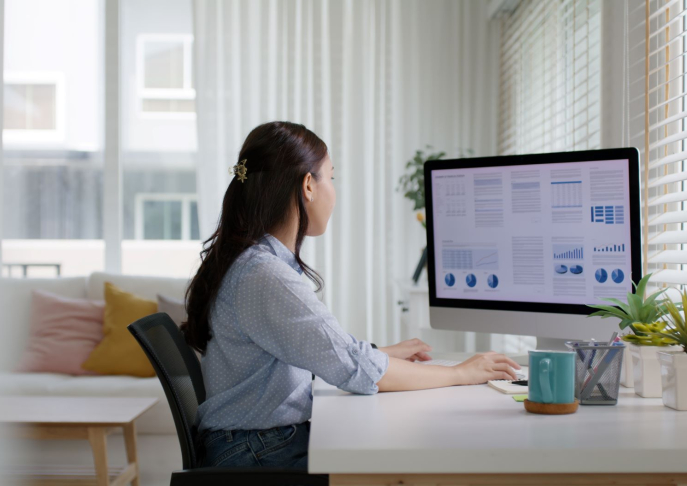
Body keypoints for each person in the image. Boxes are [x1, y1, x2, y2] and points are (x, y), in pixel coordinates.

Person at [181, 121, 521, 471]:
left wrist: (378, 354)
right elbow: (356, 371)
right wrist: (460, 374)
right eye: (332, 177)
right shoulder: (265, 274)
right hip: (257, 449)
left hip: (251, 442)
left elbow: (321, 351)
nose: (334, 190)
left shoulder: (255, 263)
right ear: (308, 186)